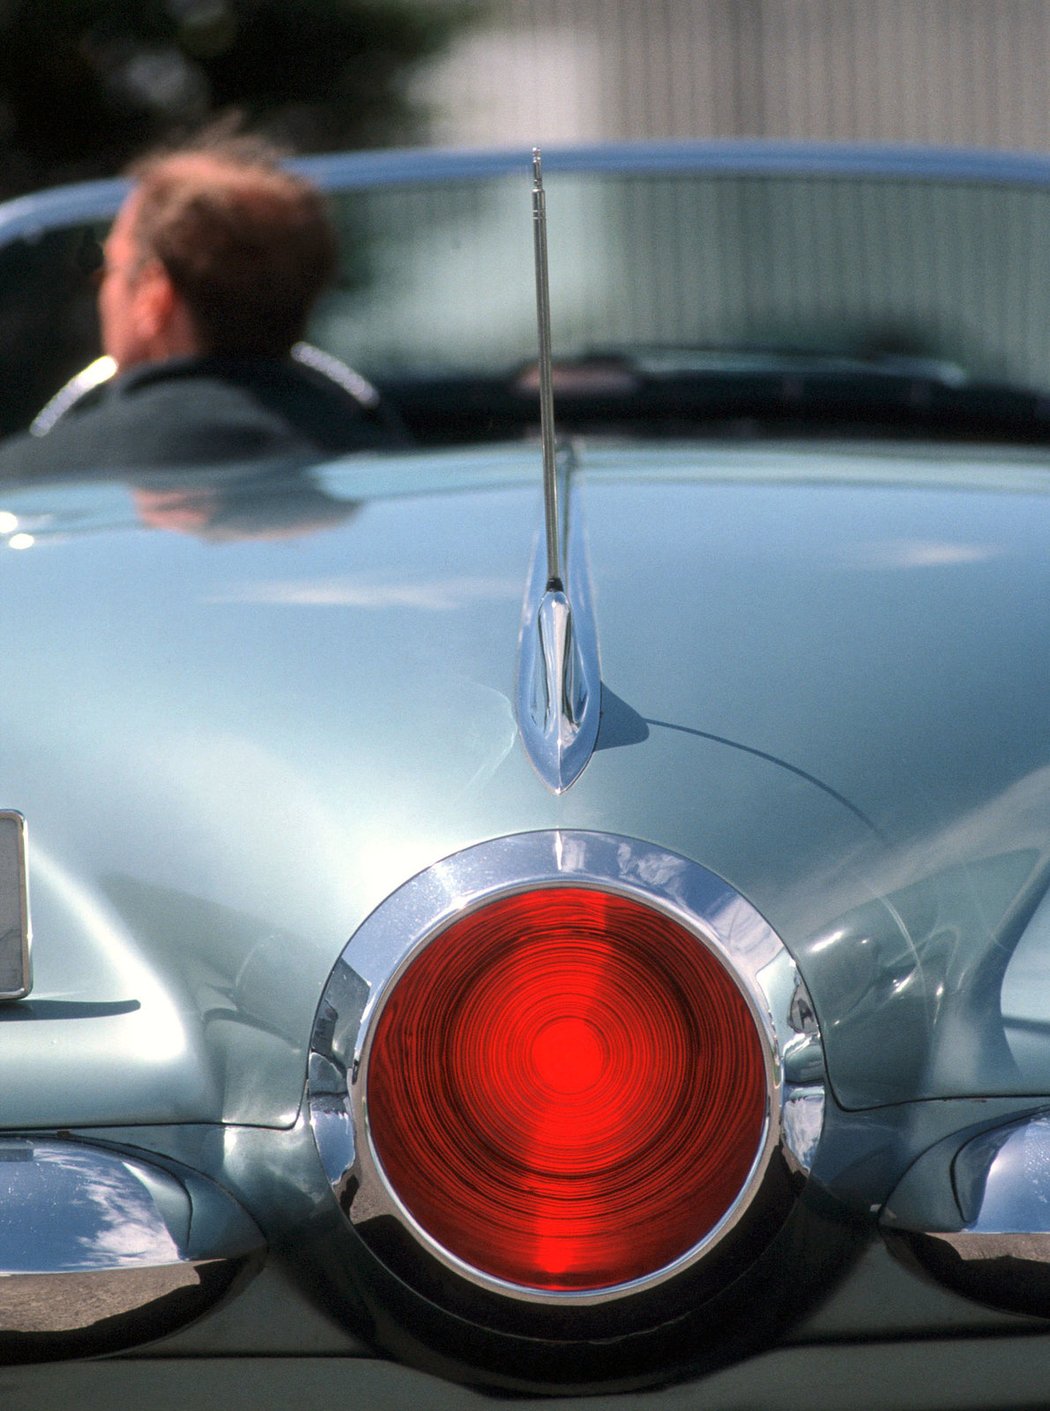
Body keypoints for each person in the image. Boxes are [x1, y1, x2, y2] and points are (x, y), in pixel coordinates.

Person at [0, 132, 394, 478]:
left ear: (154, 296)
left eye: (111, 268)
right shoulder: (385, 461)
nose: (101, 286)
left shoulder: (24, 484)